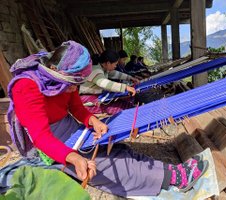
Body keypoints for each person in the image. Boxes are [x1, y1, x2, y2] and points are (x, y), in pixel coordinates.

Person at [4, 41, 208, 197]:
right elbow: (41, 136)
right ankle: (175, 179)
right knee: (103, 164)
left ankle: (167, 169)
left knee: (116, 148)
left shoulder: (66, 79)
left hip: (70, 128)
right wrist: (74, 158)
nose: (76, 88)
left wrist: (92, 121)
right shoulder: (27, 87)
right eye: (75, 83)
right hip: (50, 141)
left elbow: (75, 106)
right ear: (60, 74)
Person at [79, 50, 139, 115]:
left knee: (125, 101)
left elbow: (115, 73)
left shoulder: (103, 69)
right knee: (118, 108)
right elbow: (105, 84)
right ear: (108, 63)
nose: (115, 66)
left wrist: (130, 78)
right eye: (115, 64)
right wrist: (125, 87)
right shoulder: (96, 70)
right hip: (86, 98)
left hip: (98, 95)